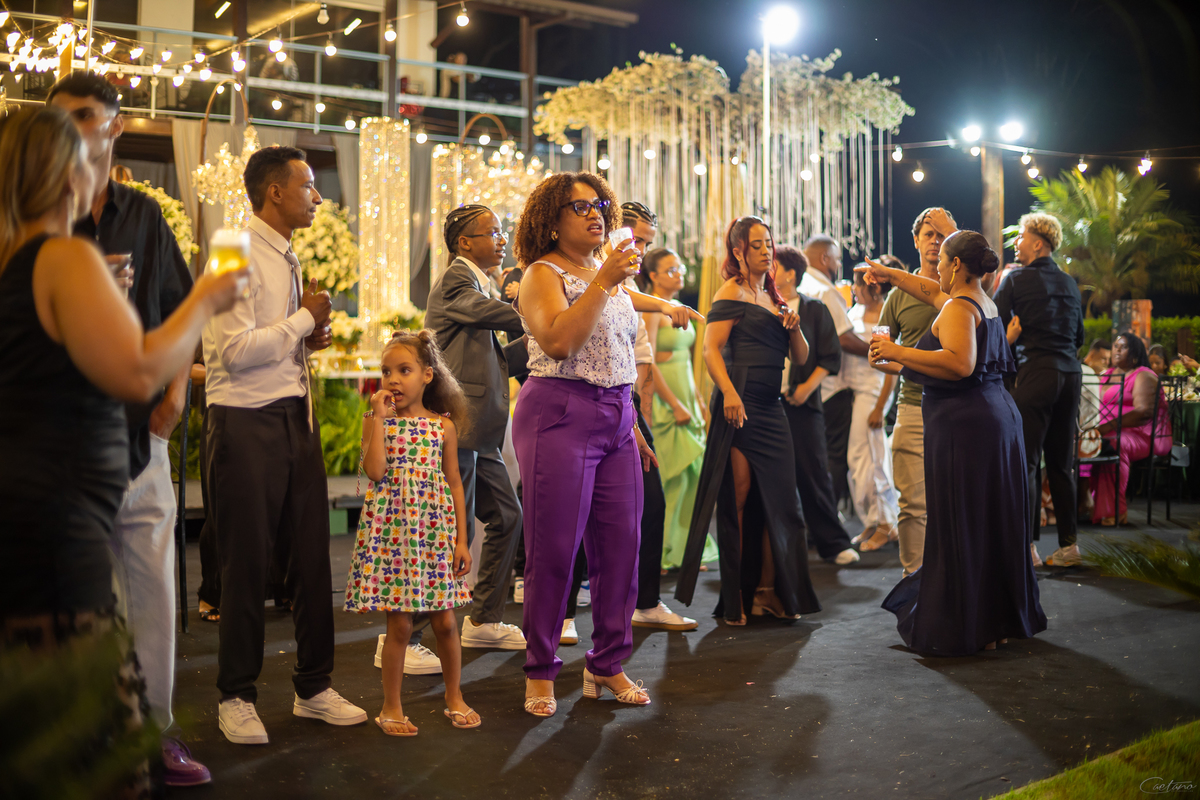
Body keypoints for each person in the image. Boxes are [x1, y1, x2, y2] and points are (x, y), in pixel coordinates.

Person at [0, 105, 247, 794]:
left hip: (31, 510)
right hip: (59, 523)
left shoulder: (15, 261)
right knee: (88, 740)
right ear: (66, 173)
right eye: (87, 156)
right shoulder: (61, 256)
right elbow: (136, 371)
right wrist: (206, 297)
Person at [48, 72, 210, 786]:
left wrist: (172, 403)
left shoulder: (142, 215)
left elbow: (180, 312)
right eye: (61, 119)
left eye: (86, 116)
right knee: (70, 601)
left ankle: (155, 733)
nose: (72, 131)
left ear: (116, 126)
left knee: (152, 594)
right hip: (58, 442)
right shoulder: (34, 218)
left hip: (142, 439)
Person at [510, 172, 701, 717]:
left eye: (598, 205)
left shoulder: (604, 272)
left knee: (622, 548)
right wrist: (604, 281)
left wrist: (631, 423)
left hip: (617, 416)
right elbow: (558, 341)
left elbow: (616, 350)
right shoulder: (541, 274)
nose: (594, 213)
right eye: (579, 207)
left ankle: (607, 663)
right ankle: (541, 669)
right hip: (559, 412)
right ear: (552, 220)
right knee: (554, 551)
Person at [203, 145, 366, 745]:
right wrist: (302, 320)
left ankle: (314, 686)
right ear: (274, 191)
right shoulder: (231, 248)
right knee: (246, 563)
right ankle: (236, 695)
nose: (318, 197)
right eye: (308, 185)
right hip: (244, 420)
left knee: (311, 557)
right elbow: (231, 352)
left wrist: (308, 336)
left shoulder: (285, 251)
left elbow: (273, 341)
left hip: (295, 415)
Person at [860, 231, 1046, 656]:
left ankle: (971, 625)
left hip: (967, 428)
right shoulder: (981, 300)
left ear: (957, 265)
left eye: (942, 260)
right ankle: (994, 623)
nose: (936, 269)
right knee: (988, 523)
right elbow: (929, 290)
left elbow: (960, 363)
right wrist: (890, 275)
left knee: (965, 522)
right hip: (995, 419)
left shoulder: (960, 307)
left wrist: (897, 351)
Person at [676, 217, 822, 625]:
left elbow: (801, 358)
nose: (765, 250)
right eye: (756, 244)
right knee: (737, 501)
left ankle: (769, 593)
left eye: (768, 244)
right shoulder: (731, 291)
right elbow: (710, 349)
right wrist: (729, 394)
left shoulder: (776, 298)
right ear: (738, 250)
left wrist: (794, 327)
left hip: (771, 407)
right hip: (737, 403)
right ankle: (737, 597)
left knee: (781, 502)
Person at [346, 330, 478, 735]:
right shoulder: (376, 423)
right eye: (386, 372)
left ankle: (454, 696)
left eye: (404, 370)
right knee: (400, 627)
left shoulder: (443, 427)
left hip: (434, 536)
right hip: (395, 538)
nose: (393, 380)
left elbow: (455, 483)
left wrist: (461, 540)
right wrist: (378, 420)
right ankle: (391, 707)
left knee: (446, 623)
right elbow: (375, 472)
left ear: (427, 375)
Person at [422, 204, 527, 656]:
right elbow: (486, 313)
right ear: (465, 242)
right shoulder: (457, 280)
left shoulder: (480, 283)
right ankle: (407, 637)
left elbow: (496, 357)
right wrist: (535, 308)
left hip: (479, 433)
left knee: (508, 517)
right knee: (451, 530)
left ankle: (484, 619)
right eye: (493, 232)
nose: (502, 240)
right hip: (456, 429)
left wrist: (547, 339)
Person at [619, 203, 699, 633]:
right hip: (598, 400)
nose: (641, 250)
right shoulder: (596, 277)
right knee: (582, 512)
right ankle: (564, 613)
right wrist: (665, 306)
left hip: (631, 404)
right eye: (637, 240)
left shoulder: (633, 287)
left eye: (647, 243)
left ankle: (646, 601)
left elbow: (643, 356)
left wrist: (642, 412)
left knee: (653, 501)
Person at [996, 212, 1085, 568]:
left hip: (1036, 373)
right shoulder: (1070, 284)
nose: (1015, 243)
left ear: (1037, 244)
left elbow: (994, 324)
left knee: (1028, 462)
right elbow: (1079, 337)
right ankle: (1069, 547)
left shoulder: (1015, 280)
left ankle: (1029, 548)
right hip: (1070, 376)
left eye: (1020, 237)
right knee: (1062, 465)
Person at [877, 207, 957, 575]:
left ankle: (953, 583)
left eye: (942, 235)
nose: (935, 241)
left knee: (955, 501)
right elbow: (878, 352)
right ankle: (914, 583)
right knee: (912, 506)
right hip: (912, 408)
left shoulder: (962, 289)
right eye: (929, 234)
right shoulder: (897, 295)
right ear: (915, 241)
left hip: (958, 410)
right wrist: (911, 365)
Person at [772, 246, 859, 565]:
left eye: (774, 266)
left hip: (804, 404)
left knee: (814, 472)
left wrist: (806, 389)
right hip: (766, 404)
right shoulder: (762, 304)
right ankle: (778, 547)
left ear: (790, 274)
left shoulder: (814, 308)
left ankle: (833, 543)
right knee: (772, 477)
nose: (768, 270)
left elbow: (830, 355)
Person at [639, 247, 716, 573]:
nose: (679, 274)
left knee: (692, 477)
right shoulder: (652, 308)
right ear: (653, 275)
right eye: (671, 269)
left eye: (680, 268)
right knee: (672, 478)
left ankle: (687, 550)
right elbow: (648, 362)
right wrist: (673, 403)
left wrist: (697, 398)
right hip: (664, 399)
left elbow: (684, 360)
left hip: (686, 393)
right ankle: (663, 552)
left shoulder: (680, 308)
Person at [800, 235, 864, 508]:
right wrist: (881, 351)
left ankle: (812, 515)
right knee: (835, 456)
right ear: (824, 258)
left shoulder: (801, 285)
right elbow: (845, 339)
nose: (838, 265)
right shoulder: (826, 291)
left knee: (812, 456)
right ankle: (828, 514)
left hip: (806, 385)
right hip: (832, 386)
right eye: (837, 259)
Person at [845, 267, 901, 551]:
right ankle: (872, 519)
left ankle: (886, 523)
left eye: (859, 285)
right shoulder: (855, 311)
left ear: (875, 288)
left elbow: (890, 367)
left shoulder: (883, 318)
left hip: (873, 392)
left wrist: (880, 407)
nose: (855, 289)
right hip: (855, 392)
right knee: (859, 460)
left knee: (873, 458)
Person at [1091, 332, 1173, 526]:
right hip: (1108, 431)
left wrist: (1106, 427)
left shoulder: (1144, 375)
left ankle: (1116, 510)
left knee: (1113, 445)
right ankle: (1084, 502)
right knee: (1083, 442)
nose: (1117, 350)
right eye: (1115, 346)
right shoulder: (1108, 374)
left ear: (1135, 353)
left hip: (1145, 434)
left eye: (1124, 347)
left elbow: (1144, 412)